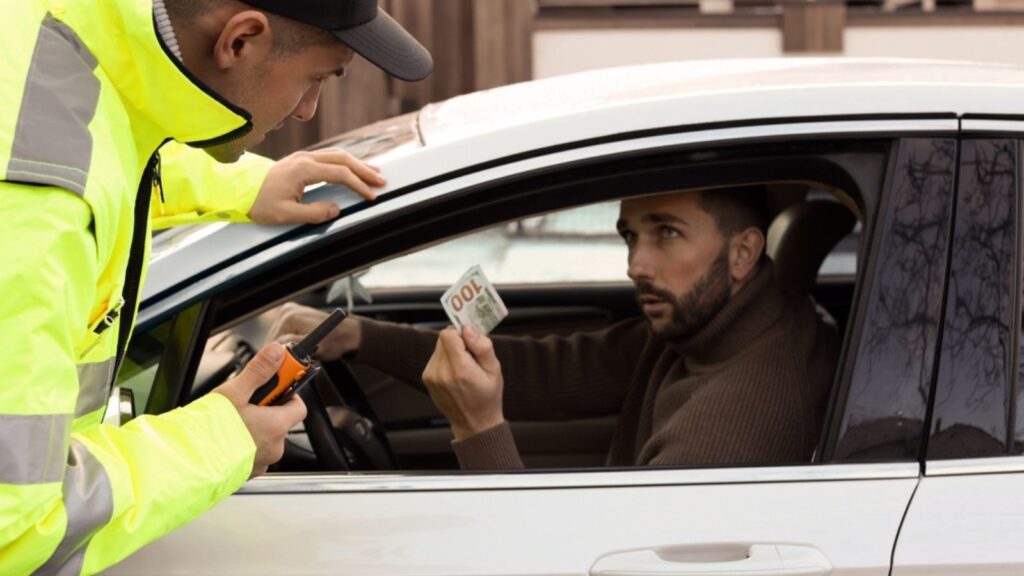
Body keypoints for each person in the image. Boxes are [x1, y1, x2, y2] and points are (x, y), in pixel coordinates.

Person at [0, 0, 431, 574]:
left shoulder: (57, 39)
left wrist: (242, 186)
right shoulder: (36, 209)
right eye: (317, 79)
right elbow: (14, 526)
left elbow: (109, 137)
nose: (308, 110)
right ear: (240, 40)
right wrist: (224, 437)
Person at [269, 187, 840, 470]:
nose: (636, 265)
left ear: (743, 253)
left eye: (666, 233)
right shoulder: (707, 329)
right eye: (630, 236)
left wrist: (478, 427)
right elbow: (557, 370)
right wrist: (359, 336)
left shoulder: (737, 420)